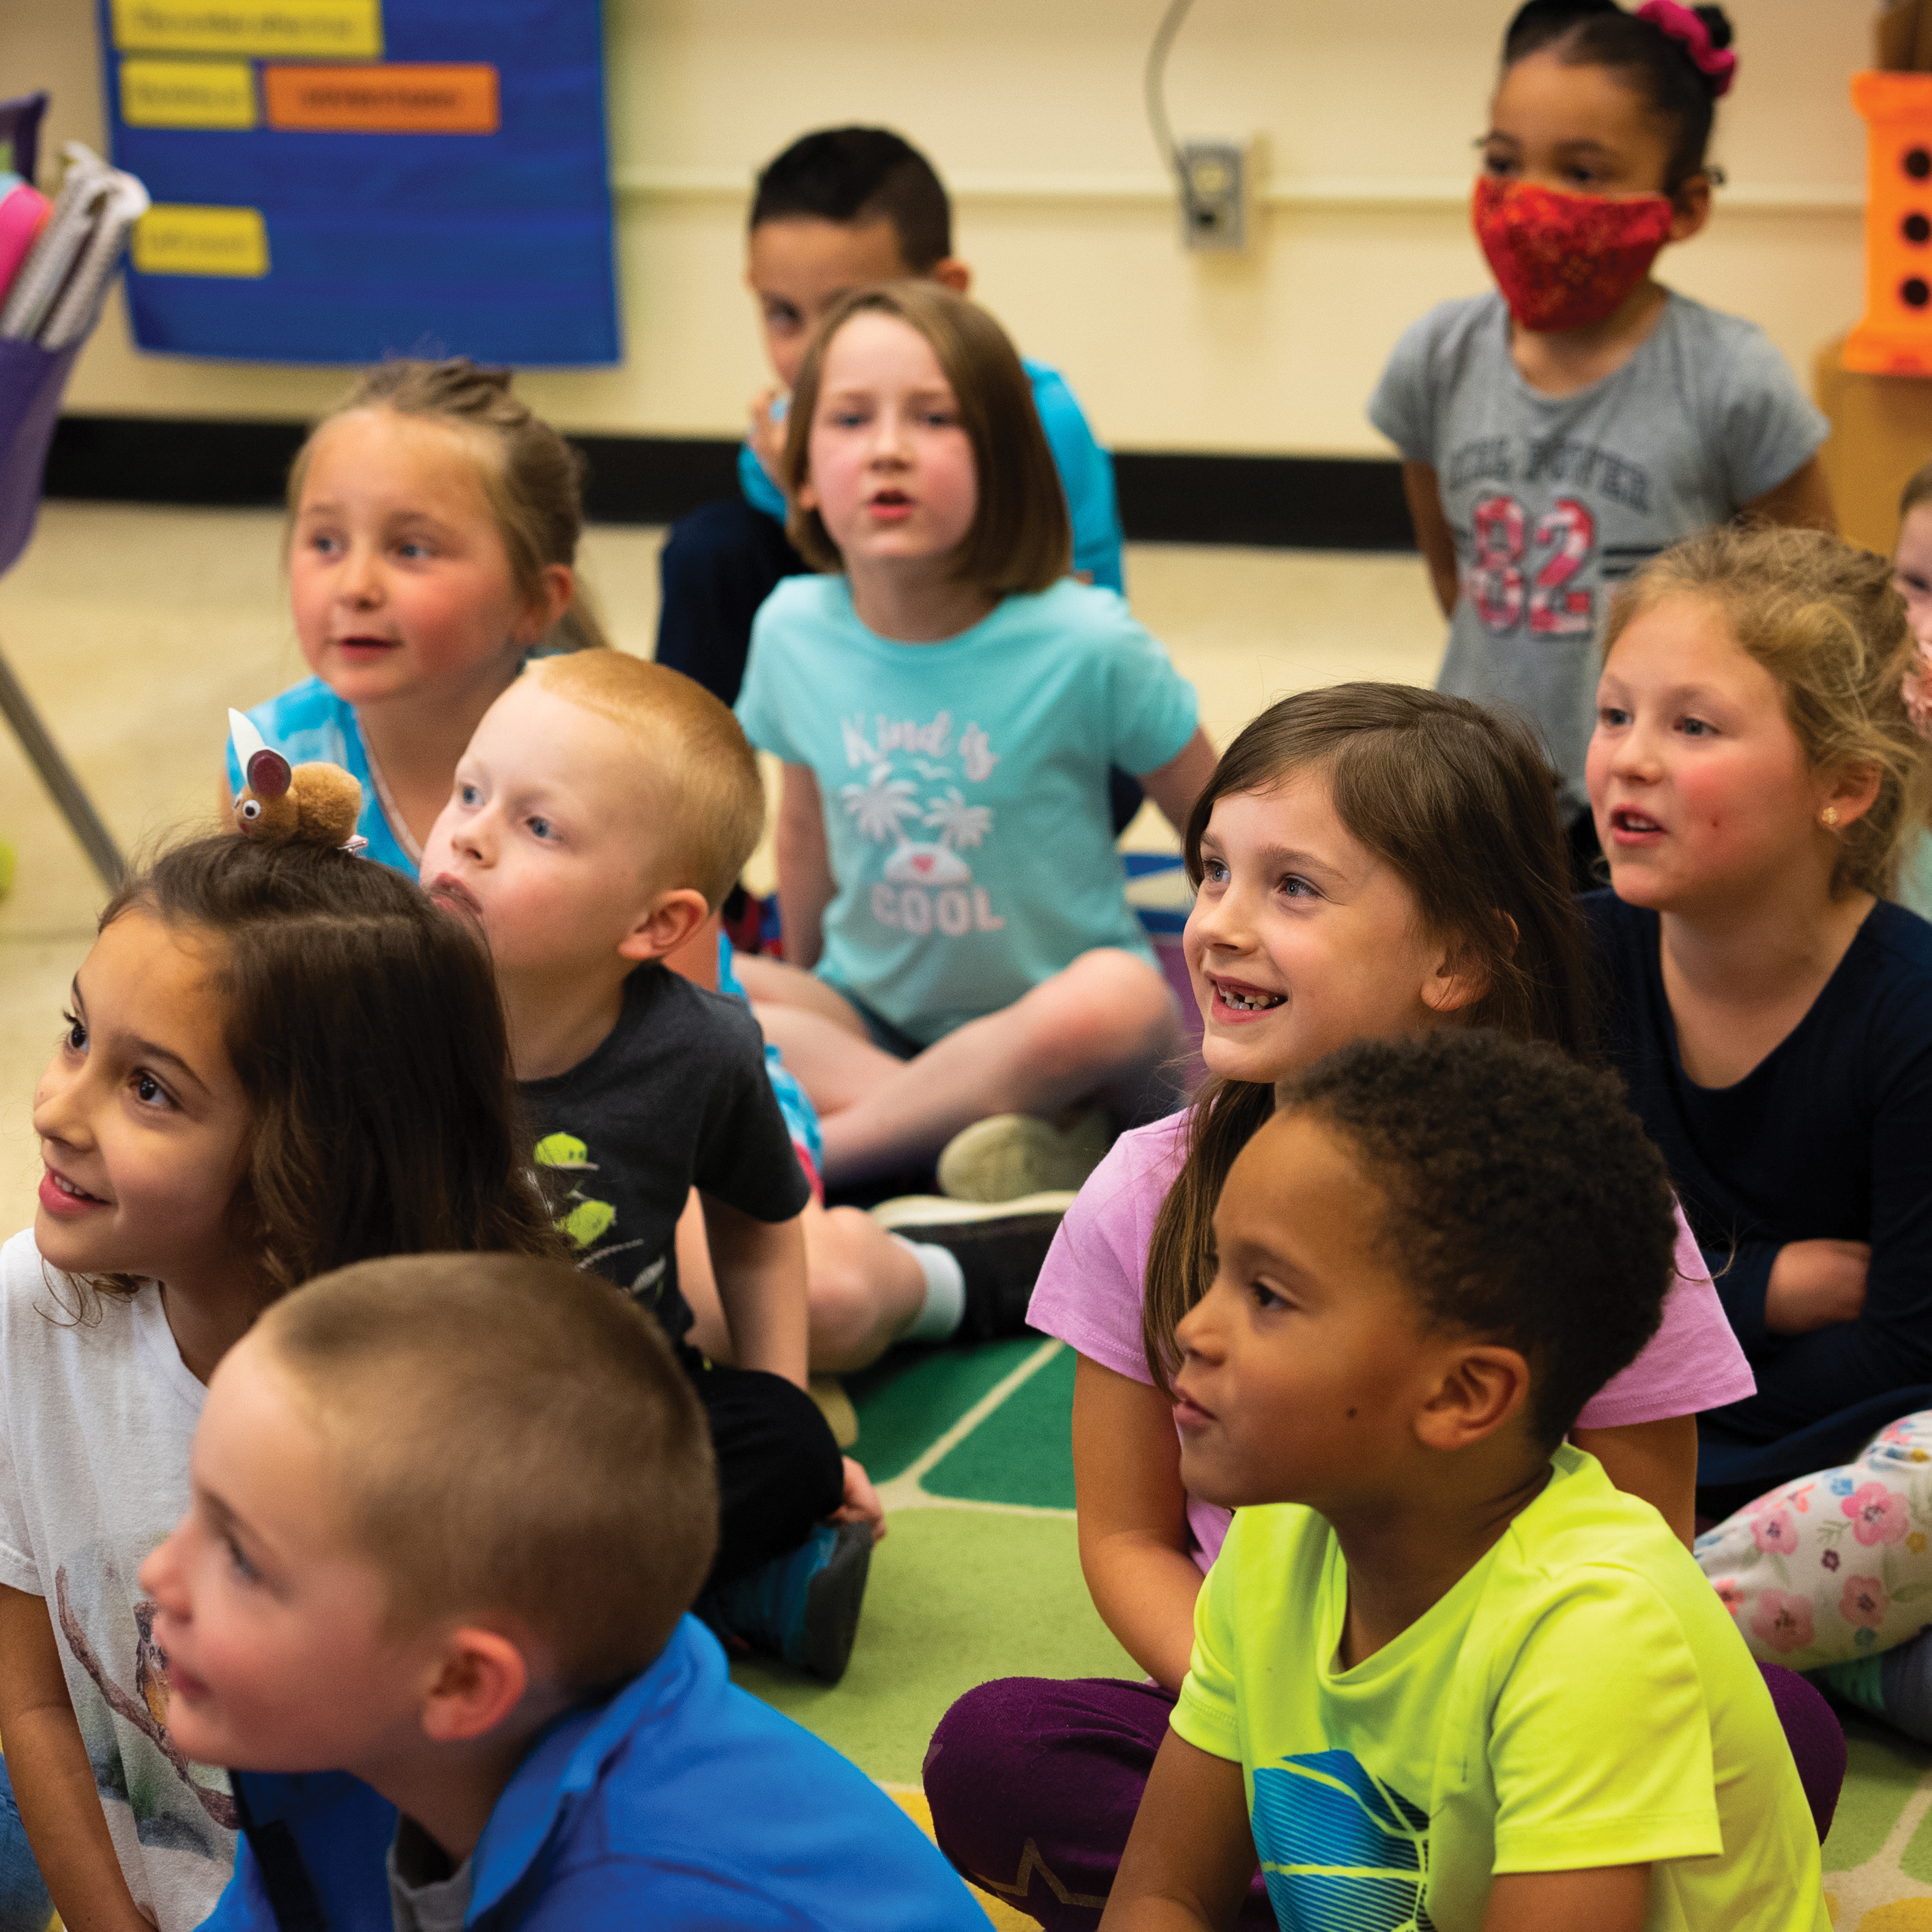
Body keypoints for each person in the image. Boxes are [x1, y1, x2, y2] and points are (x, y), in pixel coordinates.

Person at [925, 686, 1839, 1930]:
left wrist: (1419, 1738)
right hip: (1276, 1704)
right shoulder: (1154, 1205)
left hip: (1526, 1691)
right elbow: (1130, 1536)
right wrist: (1281, 1717)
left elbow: (1643, 1537)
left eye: (1292, 887)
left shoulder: (1567, 1200)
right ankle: (1347, 1879)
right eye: (1209, 874)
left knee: (1770, 1724)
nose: (1220, 926)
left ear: (1458, 956)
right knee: (1000, 1748)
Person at [1096, 1032, 1828, 1931]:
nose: (1195, 1330)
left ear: (1462, 1395)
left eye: (1270, 1297)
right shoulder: (1276, 1538)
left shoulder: (1595, 1630)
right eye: (1218, 1272)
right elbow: (1164, 1894)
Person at [0, 832, 563, 1932]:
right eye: (77, 1036)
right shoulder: (31, 1304)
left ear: (312, 1155)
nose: (59, 1108)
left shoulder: (444, 1424)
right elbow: (30, 1697)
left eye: (149, 1087)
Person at [419, 649, 986, 1680]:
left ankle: (579, 1605)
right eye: (469, 791)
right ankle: (683, 1595)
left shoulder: (704, 1049)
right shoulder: (374, 1010)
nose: (470, 834)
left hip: (627, 1414)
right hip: (417, 1411)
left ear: (658, 923)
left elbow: (761, 1227)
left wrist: (781, 1400)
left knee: (790, 1441)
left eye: (536, 826)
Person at [144, 1252, 994, 1931]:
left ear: (461, 1683)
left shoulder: (665, 1888)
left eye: (242, 1558)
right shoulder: (343, 1751)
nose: (159, 1574)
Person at [733, 281, 1216, 1199]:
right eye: (848, 419)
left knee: (1116, 997)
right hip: (875, 1014)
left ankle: (821, 1157)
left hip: (1067, 1031)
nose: (887, 450)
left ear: (1006, 463)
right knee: (701, 984)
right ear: (799, 471)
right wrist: (803, 991)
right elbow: (803, 826)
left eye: (934, 418)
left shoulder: (1087, 638)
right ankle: (998, 1142)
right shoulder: (791, 626)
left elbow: (1221, 820)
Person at [1370, 0, 1832, 889]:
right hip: (1484, 775)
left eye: (1583, 173)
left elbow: (1811, 609)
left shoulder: (1733, 378)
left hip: (1664, 792)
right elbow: (1453, 576)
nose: (1532, 201)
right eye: (1503, 162)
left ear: (1683, 207)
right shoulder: (1437, 358)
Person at [1584, 523, 1932, 1498]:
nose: (1631, 760)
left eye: (1693, 727)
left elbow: (1901, 1358)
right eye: (1614, 715)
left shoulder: (1911, 1018)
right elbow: (1517, 1274)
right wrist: (1761, 1292)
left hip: (1826, 1480)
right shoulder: (1565, 965)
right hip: (1586, 1450)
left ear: (1844, 786)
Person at [654, 126, 1124, 699]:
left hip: (1034, 683)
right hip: (879, 624)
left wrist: (812, 487)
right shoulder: (791, 418)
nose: (810, 352)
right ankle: (682, 772)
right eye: (782, 314)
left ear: (948, 289)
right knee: (710, 550)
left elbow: (1064, 604)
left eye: (850, 310)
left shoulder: (1035, 414)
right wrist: (797, 485)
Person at [226, 357, 603, 871]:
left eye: (413, 549)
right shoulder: (273, 755)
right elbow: (238, 937)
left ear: (533, 601)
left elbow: (673, 949)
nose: (355, 588)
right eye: (327, 542)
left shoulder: (606, 763)